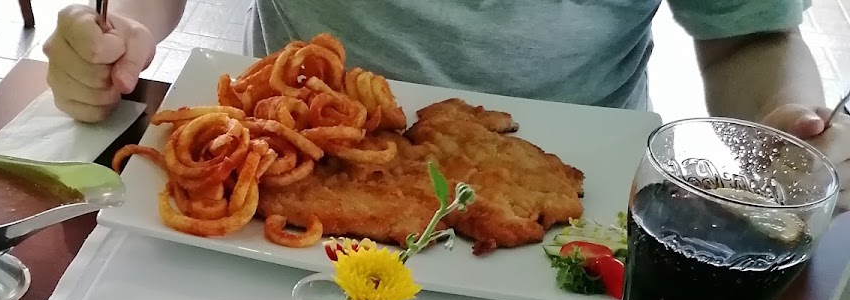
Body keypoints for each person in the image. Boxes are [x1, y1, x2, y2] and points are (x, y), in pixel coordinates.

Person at [42, 0, 849, 205]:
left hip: (577, 206)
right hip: (274, 175)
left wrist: (783, 122)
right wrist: (118, 33)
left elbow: (749, 35)